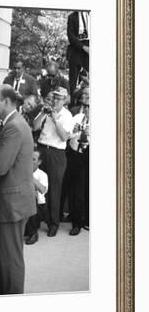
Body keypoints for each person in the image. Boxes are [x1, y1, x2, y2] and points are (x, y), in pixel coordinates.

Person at [0, 84, 36, 295]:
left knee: (10, 257)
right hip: (12, 200)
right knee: (4, 253)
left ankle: (11, 303)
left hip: (13, 202)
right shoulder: (12, 123)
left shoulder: (13, 126)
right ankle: (0, 293)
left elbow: (1, 166)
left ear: (8, 102)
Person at [32, 86, 74, 237]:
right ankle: (37, 220)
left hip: (57, 152)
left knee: (55, 189)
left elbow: (64, 137)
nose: (55, 100)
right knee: (38, 184)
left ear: (64, 101)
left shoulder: (67, 115)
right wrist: (43, 113)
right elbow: (35, 127)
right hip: (42, 149)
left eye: (59, 98)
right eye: (54, 97)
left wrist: (56, 119)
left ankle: (53, 223)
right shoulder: (47, 111)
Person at [67, 86, 90, 235]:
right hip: (76, 155)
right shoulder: (76, 117)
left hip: (90, 154)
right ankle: (77, 222)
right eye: (86, 106)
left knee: (89, 188)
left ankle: (87, 219)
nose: (87, 109)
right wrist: (76, 132)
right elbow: (68, 135)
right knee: (77, 189)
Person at [24, 148, 49, 245]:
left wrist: (29, 176)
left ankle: (33, 233)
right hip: (23, 202)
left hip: (38, 206)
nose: (30, 161)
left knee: (32, 198)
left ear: (39, 162)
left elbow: (43, 190)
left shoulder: (42, 174)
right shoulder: (21, 171)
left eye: (33, 159)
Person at [67, 10, 90, 95]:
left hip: (90, 51)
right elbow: (71, 37)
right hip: (76, 50)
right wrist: (84, 47)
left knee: (88, 80)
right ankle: (73, 105)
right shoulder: (72, 17)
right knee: (73, 82)